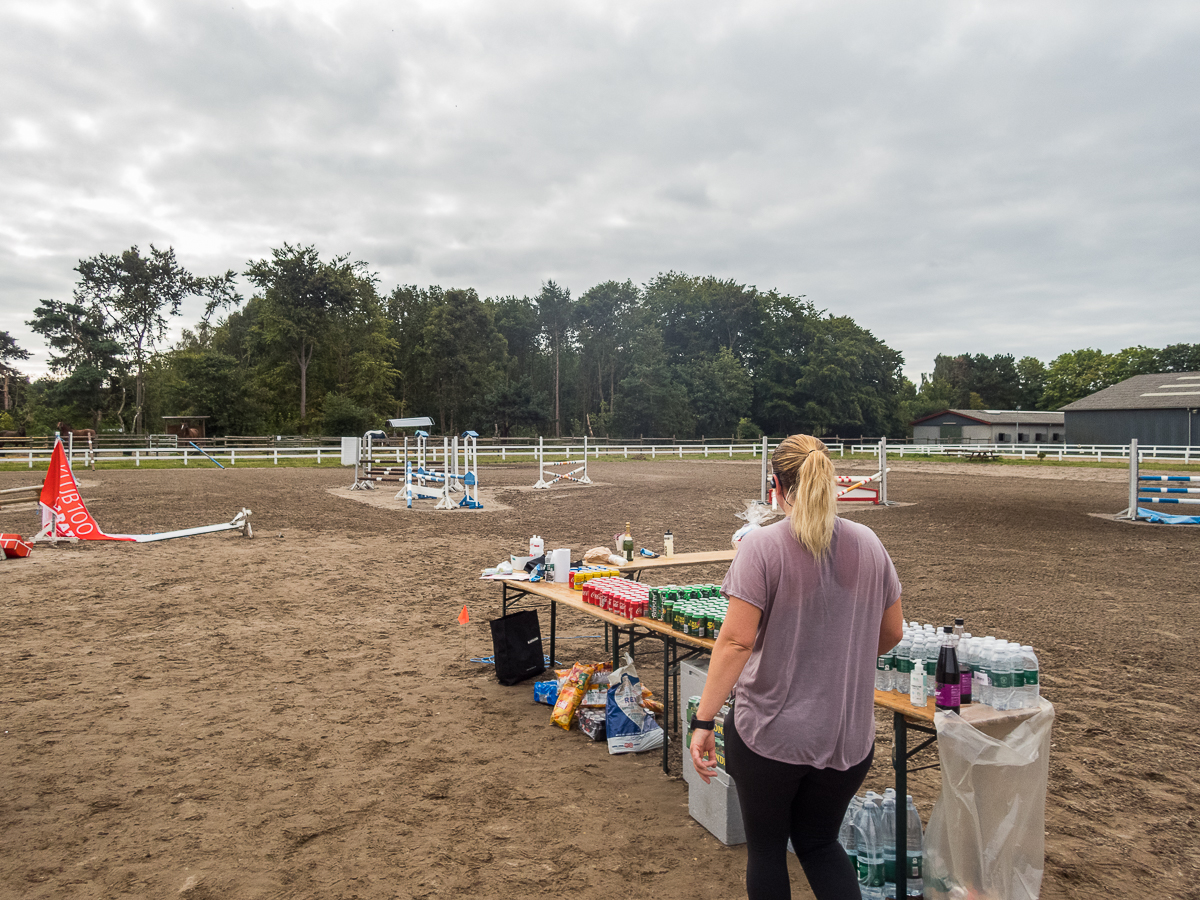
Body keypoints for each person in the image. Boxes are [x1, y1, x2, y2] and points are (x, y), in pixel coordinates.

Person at [690, 434, 904, 900]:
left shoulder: (763, 547)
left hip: (771, 734)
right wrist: (837, 657)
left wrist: (703, 719)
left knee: (766, 851)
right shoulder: (869, 543)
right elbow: (892, 634)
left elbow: (734, 642)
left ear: (776, 486)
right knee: (820, 844)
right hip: (847, 737)